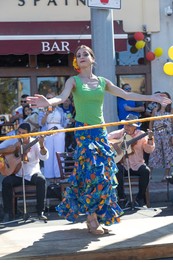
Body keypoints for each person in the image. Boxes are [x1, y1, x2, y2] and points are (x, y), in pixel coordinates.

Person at [27, 45, 171, 235]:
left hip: (101, 133)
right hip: (84, 132)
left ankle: (100, 216)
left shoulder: (102, 82)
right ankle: (92, 218)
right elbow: (61, 98)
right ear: (77, 62)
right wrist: (48, 102)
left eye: (85, 54)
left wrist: (151, 96)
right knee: (92, 174)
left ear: (92, 59)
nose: (81, 57)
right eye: (78, 55)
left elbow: (126, 94)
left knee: (105, 175)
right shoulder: (74, 81)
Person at [0, 122, 49, 222]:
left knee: (41, 180)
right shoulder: (14, 140)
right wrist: (11, 149)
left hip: (32, 173)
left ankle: (40, 212)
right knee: (6, 182)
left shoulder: (34, 143)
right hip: (18, 174)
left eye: (23, 133)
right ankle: (8, 213)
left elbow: (44, 157)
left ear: (29, 134)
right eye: (19, 132)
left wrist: (41, 145)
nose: (20, 135)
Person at [108, 113, 155, 208]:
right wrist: (115, 145)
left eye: (130, 125)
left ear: (135, 127)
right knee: (116, 170)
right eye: (126, 124)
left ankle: (140, 199)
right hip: (124, 165)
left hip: (137, 164)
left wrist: (150, 138)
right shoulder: (120, 133)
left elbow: (148, 150)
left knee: (146, 171)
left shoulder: (141, 135)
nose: (127, 127)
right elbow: (106, 138)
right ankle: (122, 198)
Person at [39, 92, 67, 180]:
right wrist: (47, 113)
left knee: (59, 152)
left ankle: (59, 174)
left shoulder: (60, 110)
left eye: (52, 98)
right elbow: (41, 123)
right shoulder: (42, 110)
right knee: (48, 152)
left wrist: (64, 127)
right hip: (48, 131)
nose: (50, 99)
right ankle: (49, 175)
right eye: (48, 98)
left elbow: (65, 121)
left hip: (59, 131)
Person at [148, 92, 173, 181]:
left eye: (165, 98)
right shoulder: (155, 110)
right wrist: (150, 134)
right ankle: (149, 174)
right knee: (154, 153)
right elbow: (151, 122)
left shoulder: (171, 111)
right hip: (156, 135)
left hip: (168, 136)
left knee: (168, 154)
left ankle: (166, 175)